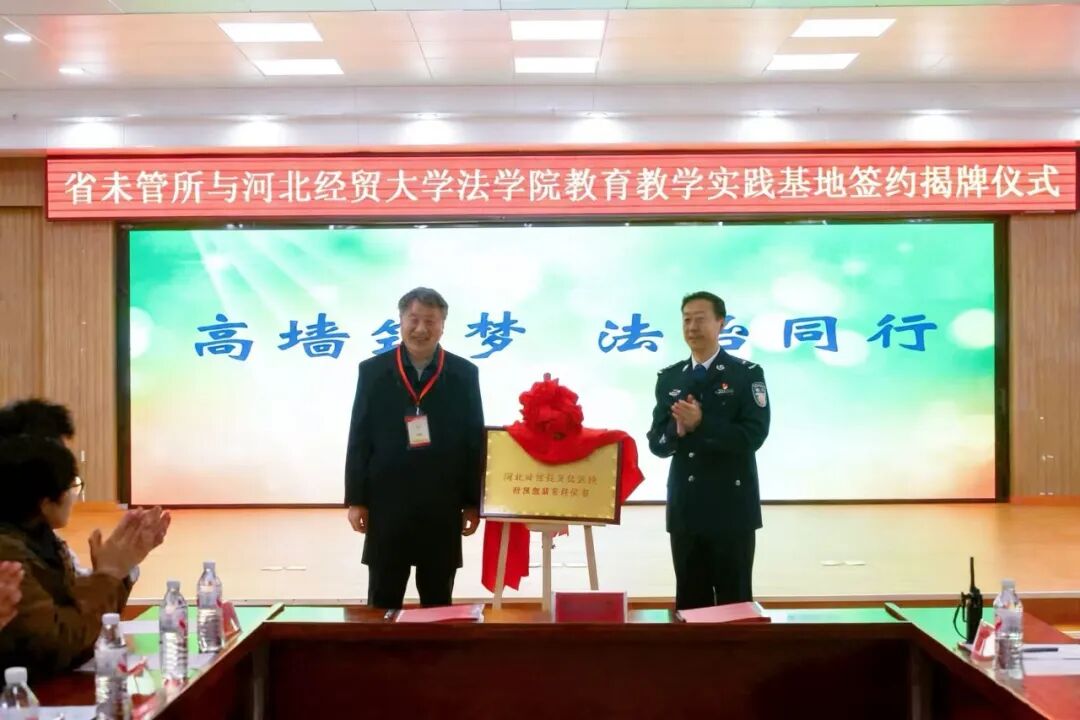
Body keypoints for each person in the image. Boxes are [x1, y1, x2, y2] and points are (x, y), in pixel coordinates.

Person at [0, 399, 170, 676]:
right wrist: (109, 574)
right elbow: (61, 641)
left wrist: (117, 570)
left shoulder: (42, 538)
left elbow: (84, 619)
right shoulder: (9, 553)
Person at [345, 288, 485, 609]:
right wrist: (357, 499)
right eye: (414, 319)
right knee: (383, 597)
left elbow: (473, 440)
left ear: (443, 326)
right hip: (387, 502)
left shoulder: (464, 374)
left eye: (430, 321)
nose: (421, 329)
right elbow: (359, 437)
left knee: (438, 600)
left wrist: (472, 502)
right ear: (400, 321)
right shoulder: (373, 371)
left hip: (442, 502)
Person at [647, 292, 770, 610]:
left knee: (735, 604)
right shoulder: (670, 378)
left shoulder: (746, 374)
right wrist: (676, 430)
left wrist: (702, 423)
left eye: (700, 319)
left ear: (721, 323)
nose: (692, 327)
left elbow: (753, 436)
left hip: (732, 508)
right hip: (686, 509)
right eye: (686, 319)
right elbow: (657, 443)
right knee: (691, 604)